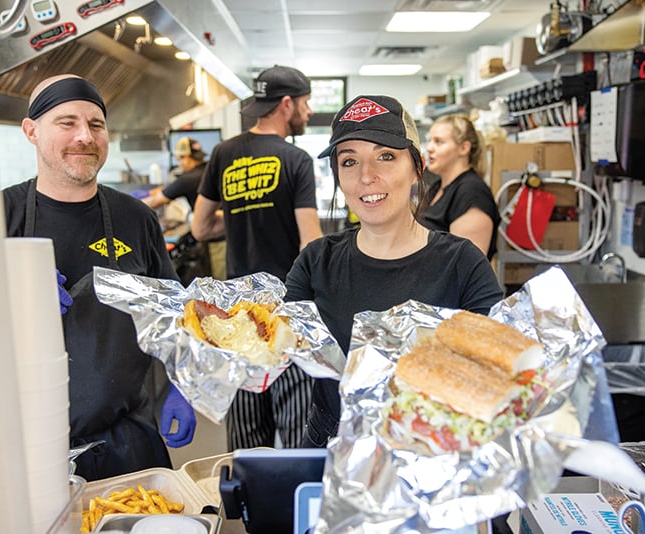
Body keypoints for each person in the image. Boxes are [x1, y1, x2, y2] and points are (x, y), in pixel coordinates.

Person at [3, 74, 197, 481]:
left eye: (96, 124)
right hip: (23, 447)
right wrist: (9, 296)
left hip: (126, 437)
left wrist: (183, 384)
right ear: (31, 131)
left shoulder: (136, 218)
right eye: (67, 122)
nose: (84, 136)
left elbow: (174, 314)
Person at [283, 95, 504, 448]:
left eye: (385, 156)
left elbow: (498, 373)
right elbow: (271, 347)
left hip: (429, 459)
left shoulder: (462, 264)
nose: (366, 177)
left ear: (417, 167)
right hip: (330, 453)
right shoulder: (316, 261)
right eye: (349, 161)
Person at [191, 65, 323, 451]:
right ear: (286, 104)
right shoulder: (295, 160)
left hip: (236, 319)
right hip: (283, 314)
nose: (308, 111)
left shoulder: (223, 153)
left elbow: (200, 227)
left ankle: (250, 509)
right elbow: (310, 244)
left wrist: (236, 223)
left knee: (248, 436)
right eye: (305, 102)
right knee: (299, 429)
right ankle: (296, 503)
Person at [143, 136, 226, 281]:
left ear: (189, 157)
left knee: (222, 284)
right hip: (226, 233)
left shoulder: (189, 179)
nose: (179, 163)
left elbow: (156, 201)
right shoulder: (207, 170)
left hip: (217, 240)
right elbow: (164, 190)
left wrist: (128, 204)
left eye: (180, 159)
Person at [422, 113, 500, 260]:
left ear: (464, 148)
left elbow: (466, 264)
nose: (429, 148)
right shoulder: (437, 187)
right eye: (430, 141)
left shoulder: (472, 192)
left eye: (439, 142)